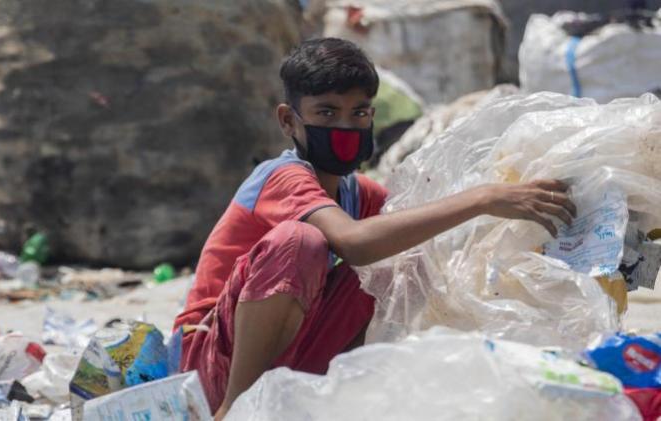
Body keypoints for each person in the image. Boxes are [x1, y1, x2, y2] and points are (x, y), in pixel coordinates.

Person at [173, 37, 576, 420]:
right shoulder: (282, 177)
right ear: (288, 121)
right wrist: (483, 198)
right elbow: (355, 243)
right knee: (301, 242)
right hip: (209, 363)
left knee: (408, 258)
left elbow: (426, 230)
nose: (346, 128)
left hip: (289, 357)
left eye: (359, 113)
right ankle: (236, 410)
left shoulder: (358, 193)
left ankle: (335, 395)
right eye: (326, 113)